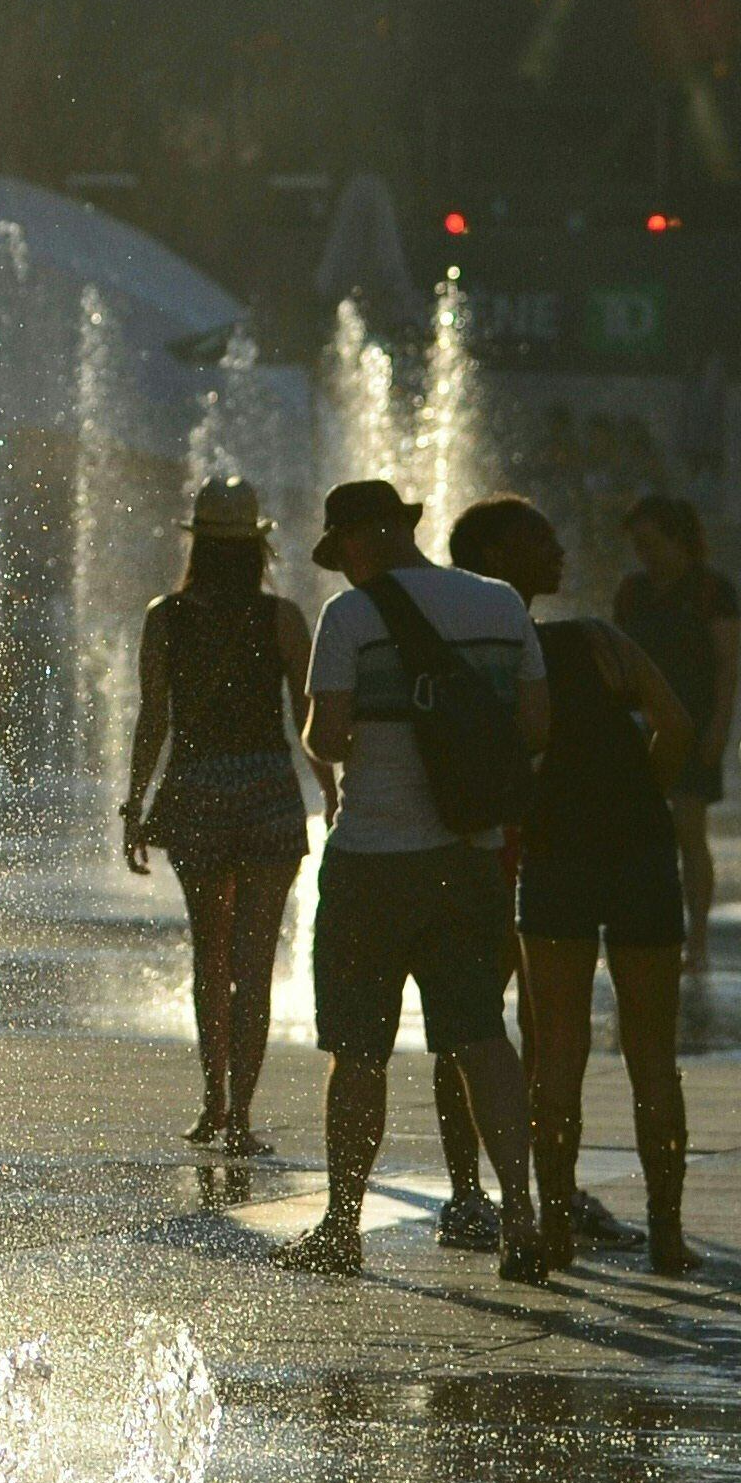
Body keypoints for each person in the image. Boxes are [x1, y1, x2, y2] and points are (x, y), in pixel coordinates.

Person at [280, 480, 551, 1284]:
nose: (344, 568)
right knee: (480, 1036)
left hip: (373, 861)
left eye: (344, 550)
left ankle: (341, 1226)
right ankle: (522, 1217)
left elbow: (326, 740)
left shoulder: (353, 617)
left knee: (358, 1050)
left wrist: (349, 719)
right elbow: (536, 729)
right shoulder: (501, 605)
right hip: (468, 859)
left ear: (370, 537)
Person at [453, 498, 702, 1273]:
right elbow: (678, 727)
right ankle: (666, 1234)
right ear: (494, 556)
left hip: (553, 856)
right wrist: (643, 798)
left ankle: (553, 1229)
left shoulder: (472, 654)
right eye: (541, 541)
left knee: (554, 1050)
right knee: (652, 1052)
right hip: (638, 855)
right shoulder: (597, 642)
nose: (560, 551)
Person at [121, 477, 330, 1157]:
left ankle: (212, 1103)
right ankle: (241, 1114)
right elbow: (309, 719)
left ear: (198, 543)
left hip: (197, 798)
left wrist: (134, 806)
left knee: (209, 960)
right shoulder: (283, 618)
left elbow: (155, 717)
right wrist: (332, 793)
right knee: (254, 963)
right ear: (257, 547)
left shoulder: (167, 616)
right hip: (269, 797)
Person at [613, 493, 740, 972]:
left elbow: (728, 666)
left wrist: (718, 731)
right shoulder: (633, 591)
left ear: (678, 538)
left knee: (690, 832)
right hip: (640, 726)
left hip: (694, 725)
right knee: (638, 832)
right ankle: (646, 931)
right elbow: (617, 659)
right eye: (637, 545)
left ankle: (699, 939)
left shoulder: (711, 591)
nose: (644, 554)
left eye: (650, 543)